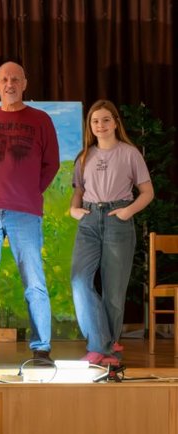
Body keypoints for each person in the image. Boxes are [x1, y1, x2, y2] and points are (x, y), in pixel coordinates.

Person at [0, 61, 60, 361]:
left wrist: (29, 192)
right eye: (4, 79)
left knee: (34, 281)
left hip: (25, 212)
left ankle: (41, 348)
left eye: (15, 79)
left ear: (24, 84)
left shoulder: (41, 120)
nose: (10, 84)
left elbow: (51, 164)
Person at [70, 100, 154, 365]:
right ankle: (103, 345)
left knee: (114, 290)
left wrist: (128, 212)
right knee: (79, 280)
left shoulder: (130, 153)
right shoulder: (84, 156)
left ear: (116, 122)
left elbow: (147, 192)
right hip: (89, 220)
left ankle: (106, 352)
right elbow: (79, 191)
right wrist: (73, 209)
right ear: (90, 125)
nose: (100, 125)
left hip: (118, 219)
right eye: (95, 121)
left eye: (106, 119)